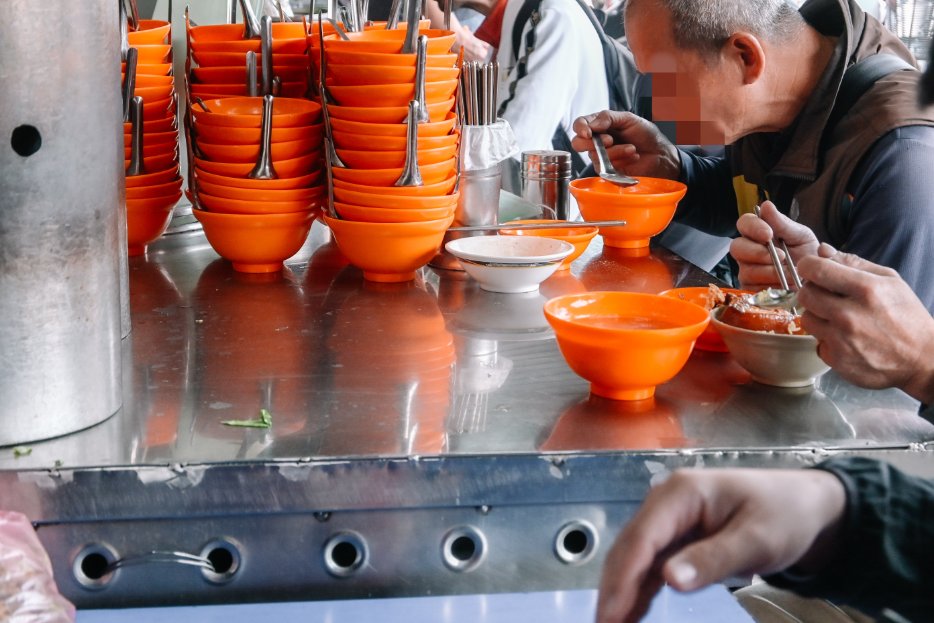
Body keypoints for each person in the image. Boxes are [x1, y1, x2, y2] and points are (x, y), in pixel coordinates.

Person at [571, 0, 934, 312]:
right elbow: (746, 201)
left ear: (745, 56)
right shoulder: (778, 98)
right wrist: (675, 170)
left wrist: (802, 297)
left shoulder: (903, 157)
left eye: (669, 79)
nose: (660, 105)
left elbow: (883, 365)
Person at [495, 0, 610, 183]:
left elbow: (518, 141)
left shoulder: (556, 14)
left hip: (561, 201)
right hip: (549, 190)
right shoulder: (533, 8)